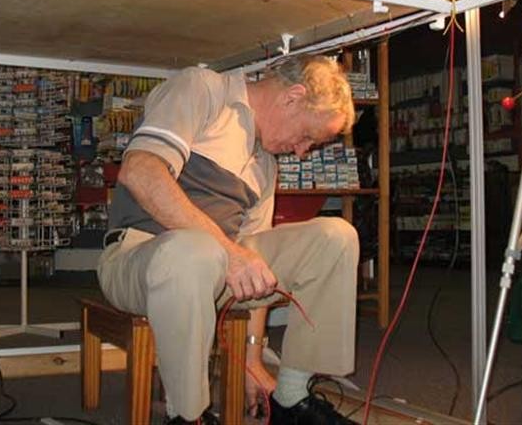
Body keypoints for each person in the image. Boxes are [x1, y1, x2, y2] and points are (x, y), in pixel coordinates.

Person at [97, 54, 359, 424]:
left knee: (336, 236)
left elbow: (255, 269)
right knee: (194, 250)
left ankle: (291, 399)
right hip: (137, 256)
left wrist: (252, 358)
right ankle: (187, 416)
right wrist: (228, 252)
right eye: (306, 137)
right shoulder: (203, 89)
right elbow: (140, 172)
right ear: (292, 97)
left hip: (215, 270)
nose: (301, 151)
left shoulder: (265, 163)